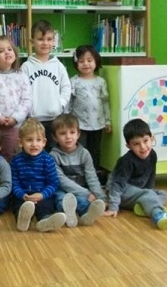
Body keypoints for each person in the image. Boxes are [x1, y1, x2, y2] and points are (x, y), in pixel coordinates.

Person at [103, 118, 167, 230]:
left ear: (152, 139)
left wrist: (149, 191)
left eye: (145, 141)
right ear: (129, 146)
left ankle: (144, 205)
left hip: (138, 191)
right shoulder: (126, 161)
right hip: (121, 191)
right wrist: (113, 207)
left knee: (163, 194)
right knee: (148, 194)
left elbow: (150, 177)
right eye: (136, 144)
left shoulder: (152, 155)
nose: (143, 147)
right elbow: (117, 185)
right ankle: (158, 215)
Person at [0, 35, 32, 161]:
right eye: (1, 51)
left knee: (11, 156)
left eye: (9, 49)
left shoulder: (21, 76)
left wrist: (15, 118)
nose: (7, 52)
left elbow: (27, 100)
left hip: (14, 127)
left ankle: (9, 180)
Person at [21, 19, 71, 152]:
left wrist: (60, 104)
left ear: (53, 42)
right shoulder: (26, 67)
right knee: (34, 151)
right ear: (32, 42)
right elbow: (21, 91)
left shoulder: (58, 66)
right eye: (41, 39)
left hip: (55, 119)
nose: (45, 43)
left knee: (53, 152)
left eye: (49, 39)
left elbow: (66, 88)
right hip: (34, 119)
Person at [10, 118, 66, 232]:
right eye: (29, 140)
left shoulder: (48, 160)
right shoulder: (16, 161)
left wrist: (42, 195)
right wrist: (22, 195)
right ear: (21, 142)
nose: (34, 144)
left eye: (38, 140)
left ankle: (44, 221)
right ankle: (23, 220)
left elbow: (53, 183)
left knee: (46, 206)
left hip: (42, 194)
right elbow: (13, 183)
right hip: (23, 195)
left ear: (44, 142)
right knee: (18, 205)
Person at [50, 114, 106, 228]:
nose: (68, 137)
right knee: (61, 199)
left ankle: (86, 215)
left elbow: (92, 177)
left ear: (78, 134)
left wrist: (101, 197)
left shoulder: (84, 153)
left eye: (72, 132)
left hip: (81, 189)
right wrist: (86, 193)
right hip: (63, 190)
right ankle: (69, 214)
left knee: (82, 202)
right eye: (62, 133)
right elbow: (61, 180)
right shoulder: (53, 156)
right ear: (55, 137)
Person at [68, 45, 112, 174]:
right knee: (80, 149)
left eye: (89, 60)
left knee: (95, 150)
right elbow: (69, 102)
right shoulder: (74, 81)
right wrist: (68, 120)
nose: (86, 64)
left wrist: (108, 121)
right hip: (78, 124)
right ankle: (79, 174)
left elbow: (105, 102)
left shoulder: (101, 82)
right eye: (81, 61)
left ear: (96, 61)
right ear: (76, 63)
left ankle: (94, 174)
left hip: (97, 124)